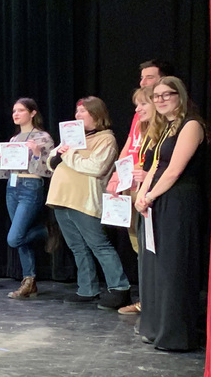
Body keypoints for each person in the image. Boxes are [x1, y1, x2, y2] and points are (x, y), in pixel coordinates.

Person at [134, 76, 206, 352]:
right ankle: (155, 328)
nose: (161, 99)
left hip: (178, 201)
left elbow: (175, 170)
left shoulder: (191, 126)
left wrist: (150, 195)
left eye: (167, 94)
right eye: (157, 96)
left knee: (173, 268)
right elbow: (155, 166)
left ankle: (176, 335)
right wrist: (142, 194)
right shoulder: (165, 127)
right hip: (157, 199)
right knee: (155, 267)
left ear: (181, 96)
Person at [46, 96, 130, 309]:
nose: (77, 115)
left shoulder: (105, 139)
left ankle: (119, 288)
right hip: (61, 198)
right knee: (77, 247)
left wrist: (69, 154)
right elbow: (50, 161)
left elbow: (96, 167)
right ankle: (87, 289)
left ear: (96, 114)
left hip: (84, 199)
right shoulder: (72, 137)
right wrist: (61, 153)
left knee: (99, 245)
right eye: (77, 111)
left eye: (82, 111)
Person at [106, 59, 173, 315]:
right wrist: (116, 175)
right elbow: (129, 147)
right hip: (131, 183)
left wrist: (145, 179)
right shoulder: (140, 118)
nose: (143, 82)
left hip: (148, 186)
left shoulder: (164, 121)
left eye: (149, 77)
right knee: (137, 243)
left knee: (150, 244)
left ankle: (153, 300)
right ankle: (146, 298)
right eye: (142, 78)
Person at [0, 98, 55, 298]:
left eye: (20, 110)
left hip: (30, 185)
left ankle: (47, 231)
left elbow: (49, 168)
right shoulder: (13, 139)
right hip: (12, 186)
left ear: (33, 113)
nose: (16, 114)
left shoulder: (43, 137)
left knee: (15, 237)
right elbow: (5, 171)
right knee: (21, 238)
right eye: (14, 111)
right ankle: (29, 280)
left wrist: (36, 153)